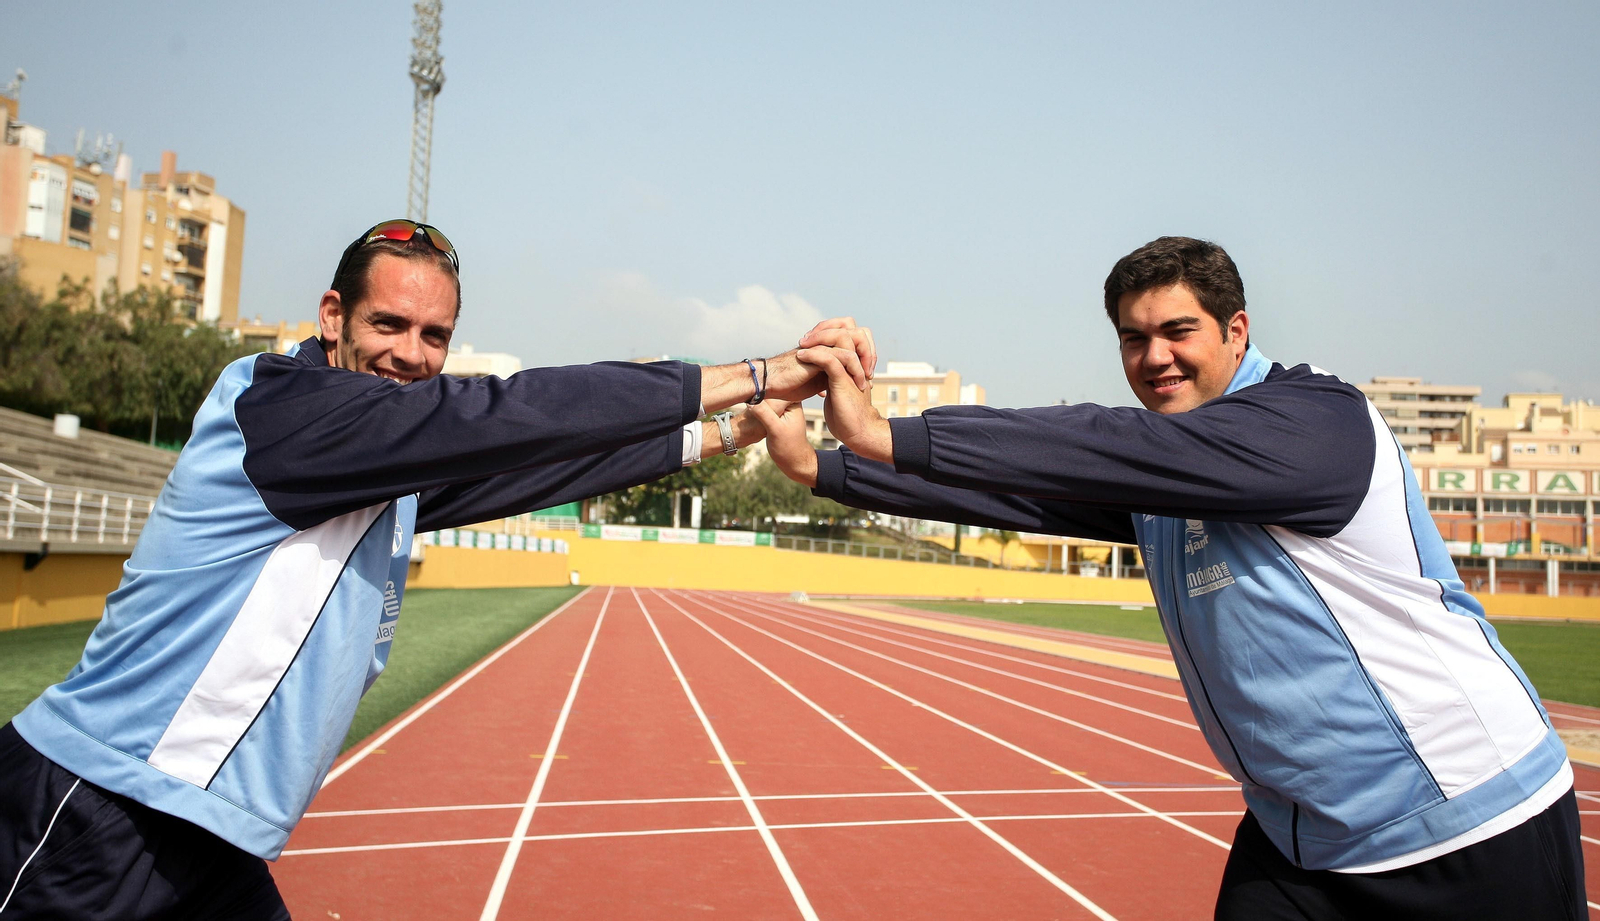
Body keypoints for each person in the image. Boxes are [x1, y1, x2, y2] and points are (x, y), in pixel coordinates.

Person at [0, 219, 875, 920]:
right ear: (331, 315)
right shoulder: (287, 410)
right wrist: (762, 370)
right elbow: (516, 413)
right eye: (389, 324)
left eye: (434, 336)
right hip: (101, 807)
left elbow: (542, 465)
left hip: (213, 839)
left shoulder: (383, 467)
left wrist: (738, 426)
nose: (411, 355)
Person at [761, 236, 1586, 920]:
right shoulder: (1168, 476)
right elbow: (1020, 490)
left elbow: (1102, 442)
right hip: (1303, 837)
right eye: (1132, 338)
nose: (1154, 357)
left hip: (1468, 820)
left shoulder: (1315, 423)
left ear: (1237, 330)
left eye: (1178, 331)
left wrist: (885, 431)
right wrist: (826, 468)